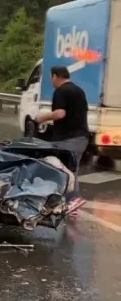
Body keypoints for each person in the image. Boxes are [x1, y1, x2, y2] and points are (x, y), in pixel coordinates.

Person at [35, 65, 88, 215]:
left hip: (68, 138)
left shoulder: (61, 91)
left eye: (51, 77)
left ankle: (74, 198)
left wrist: (42, 117)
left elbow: (60, 114)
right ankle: (70, 204)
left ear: (54, 76)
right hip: (81, 136)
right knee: (70, 168)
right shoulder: (78, 90)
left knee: (65, 169)